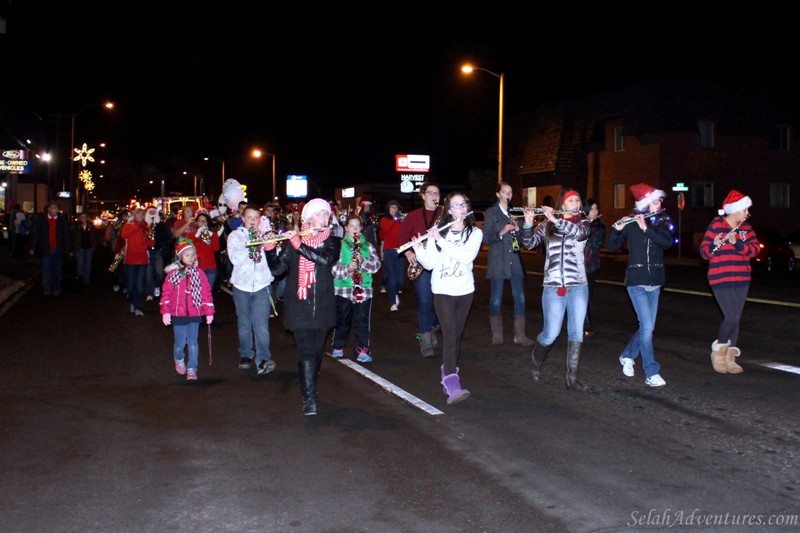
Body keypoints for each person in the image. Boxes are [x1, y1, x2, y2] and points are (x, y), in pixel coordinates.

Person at [265, 198, 340, 416]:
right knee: (307, 352)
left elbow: (324, 260)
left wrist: (299, 244)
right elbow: (278, 270)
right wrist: (270, 249)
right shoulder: (293, 242)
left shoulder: (333, 241)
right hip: (299, 306)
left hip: (322, 306)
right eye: (319, 214)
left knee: (316, 353)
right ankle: (309, 398)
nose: (323, 218)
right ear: (307, 218)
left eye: (326, 214)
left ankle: (311, 389)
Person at [412, 192, 482, 405]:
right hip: (442, 291)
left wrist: (440, 240)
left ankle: (447, 369)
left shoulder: (475, 233)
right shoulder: (439, 232)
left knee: (457, 335)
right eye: (455, 205)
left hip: (465, 290)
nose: (460, 208)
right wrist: (419, 250)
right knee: (450, 334)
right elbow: (431, 264)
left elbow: (467, 257)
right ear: (449, 210)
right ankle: (451, 382)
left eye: (463, 204)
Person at [520, 188, 592, 392]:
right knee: (551, 333)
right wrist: (527, 223)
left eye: (578, 200)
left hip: (578, 284)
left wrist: (557, 220)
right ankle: (535, 360)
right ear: (562, 204)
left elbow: (579, 234)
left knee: (576, 332)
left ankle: (572, 378)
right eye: (571, 201)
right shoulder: (546, 225)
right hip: (553, 285)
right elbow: (528, 243)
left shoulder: (583, 223)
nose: (576, 204)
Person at [606, 183, 674, 388]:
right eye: (654, 201)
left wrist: (648, 228)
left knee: (647, 327)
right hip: (636, 282)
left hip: (655, 282)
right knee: (646, 328)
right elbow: (611, 246)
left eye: (659, 200)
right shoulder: (632, 223)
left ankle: (628, 355)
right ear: (645, 204)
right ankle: (651, 371)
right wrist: (616, 230)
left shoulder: (662, 221)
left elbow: (667, 243)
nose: (658, 204)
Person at [698, 190, 759, 374]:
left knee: (736, 319)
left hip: (742, 278)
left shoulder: (746, 229)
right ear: (736, 210)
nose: (748, 213)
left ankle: (730, 356)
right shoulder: (717, 225)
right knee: (731, 316)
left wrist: (738, 243)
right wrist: (714, 244)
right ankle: (718, 351)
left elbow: (755, 251)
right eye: (745, 210)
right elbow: (704, 252)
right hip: (720, 277)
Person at [226, 205, 278, 375]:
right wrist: (253, 243)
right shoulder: (235, 236)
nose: (253, 221)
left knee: (261, 325)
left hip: (262, 285)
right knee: (244, 323)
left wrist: (270, 241)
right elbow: (235, 258)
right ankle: (246, 353)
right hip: (242, 286)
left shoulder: (265, 235)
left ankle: (263, 358)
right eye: (249, 217)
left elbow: (274, 257)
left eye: (256, 218)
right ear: (243, 219)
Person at [483, 181, 533, 346]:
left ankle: (520, 335)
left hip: (514, 259)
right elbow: (486, 238)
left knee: (520, 297)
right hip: (498, 260)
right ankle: (497, 334)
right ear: (498, 194)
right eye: (505, 192)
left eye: (510, 192)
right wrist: (502, 232)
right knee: (496, 298)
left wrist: (518, 230)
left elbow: (521, 241)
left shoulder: (514, 213)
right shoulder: (491, 212)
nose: (508, 195)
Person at [160, 238, 215, 381]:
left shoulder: (199, 274)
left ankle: (192, 368)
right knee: (180, 343)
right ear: (180, 257)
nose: (191, 257)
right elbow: (166, 293)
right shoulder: (173, 275)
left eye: (192, 254)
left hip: (195, 312)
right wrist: (165, 311)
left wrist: (209, 312)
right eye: (187, 255)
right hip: (178, 314)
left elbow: (206, 293)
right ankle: (178, 358)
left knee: (193, 342)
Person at [398, 182, 442, 357]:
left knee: (440, 303)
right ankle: (426, 342)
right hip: (421, 264)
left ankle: (431, 329)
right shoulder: (413, 216)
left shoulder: (444, 215)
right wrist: (408, 253)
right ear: (423, 195)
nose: (434, 196)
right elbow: (401, 238)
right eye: (430, 192)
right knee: (425, 302)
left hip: (440, 264)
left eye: (437, 193)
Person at [331, 215, 381, 363]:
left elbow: (376, 266)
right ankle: (338, 345)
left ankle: (362, 349)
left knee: (362, 321)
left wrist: (363, 262)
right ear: (346, 228)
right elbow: (333, 269)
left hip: (364, 290)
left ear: (361, 228)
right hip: (343, 290)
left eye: (357, 226)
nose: (354, 229)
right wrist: (347, 268)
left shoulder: (368, 246)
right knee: (342, 320)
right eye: (351, 226)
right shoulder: (339, 245)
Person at [29, 200, 70, 296]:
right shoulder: (42, 221)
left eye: (55, 208)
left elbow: (66, 236)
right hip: (46, 249)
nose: (54, 210)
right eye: (52, 208)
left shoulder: (61, 221)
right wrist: (32, 247)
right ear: (48, 209)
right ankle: (47, 289)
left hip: (58, 249)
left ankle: (56, 289)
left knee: (57, 271)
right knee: (47, 271)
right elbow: (37, 235)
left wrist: (68, 250)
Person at [121, 207, 155, 316]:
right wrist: (136, 226)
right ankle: (133, 302)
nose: (140, 216)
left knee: (139, 286)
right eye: (138, 214)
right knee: (130, 286)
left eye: (142, 214)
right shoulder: (128, 225)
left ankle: (137, 307)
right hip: (130, 260)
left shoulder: (147, 227)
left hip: (142, 260)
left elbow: (152, 243)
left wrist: (147, 236)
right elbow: (124, 235)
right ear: (134, 215)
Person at [582, 198, 606, 336]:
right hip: (577, 265)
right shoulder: (580, 224)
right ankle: (585, 322)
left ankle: (587, 322)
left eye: (596, 209)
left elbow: (595, 244)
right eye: (591, 209)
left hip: (591, 265)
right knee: (579, 295)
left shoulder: (599, 227)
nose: (595, 211)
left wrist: (587, 227)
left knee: (587, 295)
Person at [378, 199, 406, 311]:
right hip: (389, 251)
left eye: (396, 207)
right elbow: (386, 230)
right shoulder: (384, 220)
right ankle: (393, 302)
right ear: (388, 209)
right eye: (392, 207)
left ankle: (394, 292)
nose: (394, 209)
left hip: (401, 251)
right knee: (392, 278)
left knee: (401, 280)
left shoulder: (401, 220)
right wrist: (396, 219)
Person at [187, 211, 221, 292]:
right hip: (196, 267)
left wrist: (212, 236)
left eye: (205, 221)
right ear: (197, 223)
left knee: (207, 292)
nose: (203, 223)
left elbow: (216, 248)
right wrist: (196, 236)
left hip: (210, 267)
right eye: (200, 221)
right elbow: (187, 247)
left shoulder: (213, 234)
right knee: (196, 291)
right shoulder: (191, 235)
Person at [144, 207, 172, 301]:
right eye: (150, 212)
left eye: (153, 212)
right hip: (147, 252)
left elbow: (167, 238)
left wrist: (164, 248)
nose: (152, 213)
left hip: (157, 252)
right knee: (148, 274)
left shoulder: (161, 225)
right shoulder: (144, 226)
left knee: (160, 273)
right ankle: (149, 293)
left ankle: (157, 286)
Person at [71, 212, 98, 285]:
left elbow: (95, 237)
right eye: (81, 217)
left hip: (89, 248)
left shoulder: (91, 227)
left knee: (88, 264)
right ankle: (80, 278)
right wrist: (74, 247)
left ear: (87, 218)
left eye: (84, 217)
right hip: (79, 248)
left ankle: (86, 279)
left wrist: (93, 246)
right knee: (80, 263)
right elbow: (72, 238)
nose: (83, 218)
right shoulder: (76, 227)